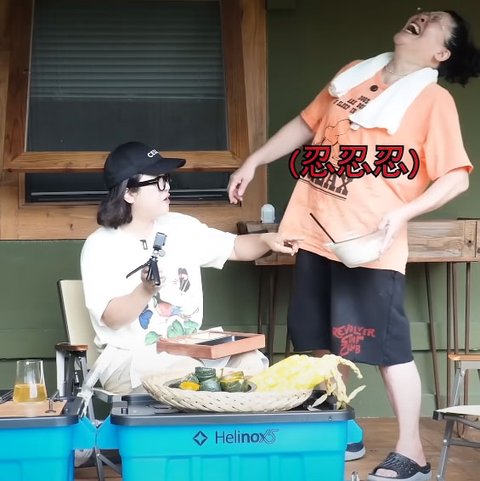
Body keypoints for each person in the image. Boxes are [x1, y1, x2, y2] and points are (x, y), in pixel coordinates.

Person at [227, 10, 479, 481]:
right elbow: (306, 124)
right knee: (320, 345)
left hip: (368, 244)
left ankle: (413, 455)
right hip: (314, 230)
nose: (421, 16)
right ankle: (342, 431)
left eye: (434, 20)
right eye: (422, 11)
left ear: (441, 53)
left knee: (387, 351)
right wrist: (254, 161)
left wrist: (403, 213)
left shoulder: (434, 100)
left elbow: (455, 178)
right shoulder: (353, 73)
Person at [80, 141, 301, 396]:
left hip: (189, 348)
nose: (167, 187)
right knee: (194, 377)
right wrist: (145, 290)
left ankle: (239, 423)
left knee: (250, 362)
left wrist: (266, 239)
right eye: (158, 182)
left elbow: (236, 247)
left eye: (167, 179)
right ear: (129, 193)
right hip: (130, 359)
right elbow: (112, 318)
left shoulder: (179, 226)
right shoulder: (101, 245)